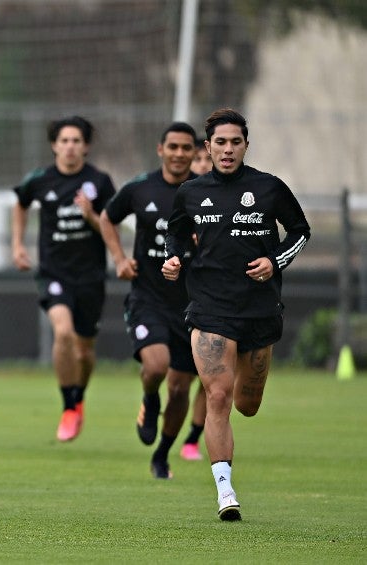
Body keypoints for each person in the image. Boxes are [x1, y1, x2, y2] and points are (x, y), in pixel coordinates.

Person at [162, 108, 310, 521]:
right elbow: (176, 232)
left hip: (259, 311)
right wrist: (174, 259)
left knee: (247, 404)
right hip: (209, 307)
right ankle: (225, 492)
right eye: (220, 143)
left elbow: (301, 231)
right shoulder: (190, 191)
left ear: (246, 145)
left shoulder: (269, 188)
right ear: (206, 147)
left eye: (236, 142)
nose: (228, 150)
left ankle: (227, 469)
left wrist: (275, 262)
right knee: (218, 395)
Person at [99, 122, 199, 479]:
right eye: (172, 147)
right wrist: (120, 259)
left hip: (192, 305)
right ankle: (148, 398)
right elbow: (107, 218)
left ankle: (162, 454)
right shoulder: (141, 188)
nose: (179, 154)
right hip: (148, 297)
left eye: (186, 148)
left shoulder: (204, 193)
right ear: (161, 149)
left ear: (194, 152)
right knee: (156, 367)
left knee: (180, 388)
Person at [11, 115, 116, 442]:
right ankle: (69, 406)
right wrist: (17, 244)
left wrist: (90, 215)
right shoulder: (41, 179)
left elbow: (109, 227)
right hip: (54, 272)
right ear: (55, 145)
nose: (70, 146)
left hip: (90, 276)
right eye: (64, 140)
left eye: (76, 141)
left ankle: (78, 399)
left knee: (84, 352)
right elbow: (21, 202)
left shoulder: (99, 182)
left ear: (85, 146)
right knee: (64, 331)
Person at [179, 133, 214, 462]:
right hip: (179, 296)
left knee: (209, 378)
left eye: (207, 159)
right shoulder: (186, 197)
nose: (203, 165)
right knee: (180, 376)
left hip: (212, 299)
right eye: (198, 160)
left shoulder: (226, 198)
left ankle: (192, 438)